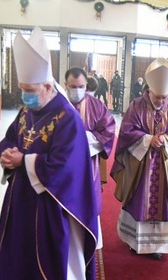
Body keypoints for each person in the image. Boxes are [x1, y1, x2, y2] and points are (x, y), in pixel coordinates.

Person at [0, 27, 98, 280]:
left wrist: (24, 161)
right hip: (23, 197)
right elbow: (12, 137)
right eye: (23, 89)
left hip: (54, 201)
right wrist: (6, 154)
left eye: (30, 89)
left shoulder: (67, 117)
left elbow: (67, 164)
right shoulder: (30, 110)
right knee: (14, 250)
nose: (25, 95)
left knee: (57, 255)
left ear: (48, 87)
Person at [111, 58, 168, 260]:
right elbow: (127, 130)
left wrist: (165, 139)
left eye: (164, 97)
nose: (161, 102)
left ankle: (156, 245)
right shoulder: (137, 105)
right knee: (138, 199)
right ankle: (134, 241)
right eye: (158, 97)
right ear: (149, 90)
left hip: (164, 165)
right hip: (140, 166)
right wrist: (147, 139)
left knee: (160, 202)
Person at [64, 67, 116, 247]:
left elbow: (108, 130)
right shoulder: (57, 105)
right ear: (65, 85)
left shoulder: (96, 105)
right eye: (73, 86)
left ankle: (89, 240)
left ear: (86, 86)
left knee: (87, 202)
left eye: (81, 87)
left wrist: (82, 139)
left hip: (87, 164)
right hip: (61, 167)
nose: (77, 90)